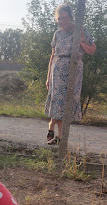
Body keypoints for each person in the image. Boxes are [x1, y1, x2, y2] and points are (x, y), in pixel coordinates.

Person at [45, 4, 96, 145]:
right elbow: (52, 56)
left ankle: (53, 128)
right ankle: (59, 136)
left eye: (64, 18)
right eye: (59, 19)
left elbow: (92, 49)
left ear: (71, 17)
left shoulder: (81, 30)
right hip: (58, 70)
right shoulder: (57, 34)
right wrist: (48, 76)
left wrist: (80, 43)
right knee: (58, 102)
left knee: (68, 101)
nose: (62, 21)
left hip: (74, 70)